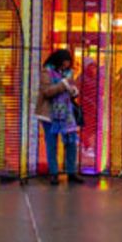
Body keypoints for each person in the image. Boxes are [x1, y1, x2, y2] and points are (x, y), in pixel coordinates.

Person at [35, 49, 82, 185]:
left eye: (68, 63)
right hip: (49, 114)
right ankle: (54, 173)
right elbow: (47, 92)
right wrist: (64, 85)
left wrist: (73, 91)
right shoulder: (46, 72)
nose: (66, 65)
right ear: (58, 60)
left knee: (71, 142)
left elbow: (69, 89)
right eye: (65, 62)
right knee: (51, 144)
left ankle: (71, 172)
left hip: (66, 114)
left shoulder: (67, 74)